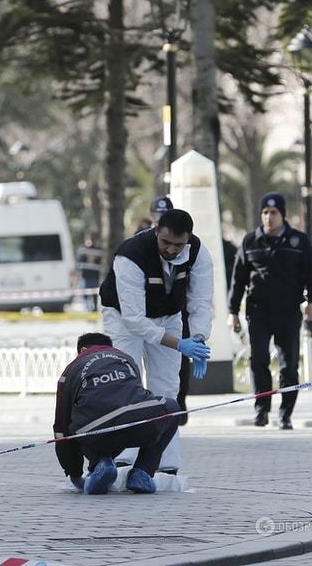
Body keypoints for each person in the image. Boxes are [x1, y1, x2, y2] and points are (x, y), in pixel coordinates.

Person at [99, 208, 213, 471]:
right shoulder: (131, 255)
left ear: (189, 238)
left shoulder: (198, 252)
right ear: (155, 230)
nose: (172, 250)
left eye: (178, 244)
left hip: (169, 313)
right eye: (166, 243)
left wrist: (196, 339)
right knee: (128, 380)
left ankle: (165, 461)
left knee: (167, 386)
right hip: (123, 316)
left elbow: (200, 303)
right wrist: (179, 344)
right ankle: (122, 456)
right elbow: (134, 320)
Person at [228, 192, 312, 429]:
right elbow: (238, 279)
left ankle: (285, 413)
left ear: (282, 214)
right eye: (265, 213)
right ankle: (261, 410)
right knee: (258, 361)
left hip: (288, 312)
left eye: (274, 213)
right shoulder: (250, 242)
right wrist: (233, 311)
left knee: (289, 365)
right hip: (258, 311)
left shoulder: (298, 242)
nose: (269, 217)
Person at [53, 332, 180, 495]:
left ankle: (101, 463)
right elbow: (135, 394)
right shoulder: (125, 358)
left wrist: (75, 475)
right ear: (110, 347)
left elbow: (61, 428)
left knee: (82, 424)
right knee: (172, 409)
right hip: (136, 423)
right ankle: (143, 472)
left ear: (82, 350)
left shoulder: (71, 369)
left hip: (96, 432)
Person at [76, 233, 103, 311]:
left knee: (94, 295)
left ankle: (93, 311)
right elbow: (79, 262)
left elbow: (100, 260)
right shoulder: (82, 250)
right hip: (85, 276)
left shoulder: (98, 250)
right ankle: (88, 311)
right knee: (85, 295)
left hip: (94, 276)